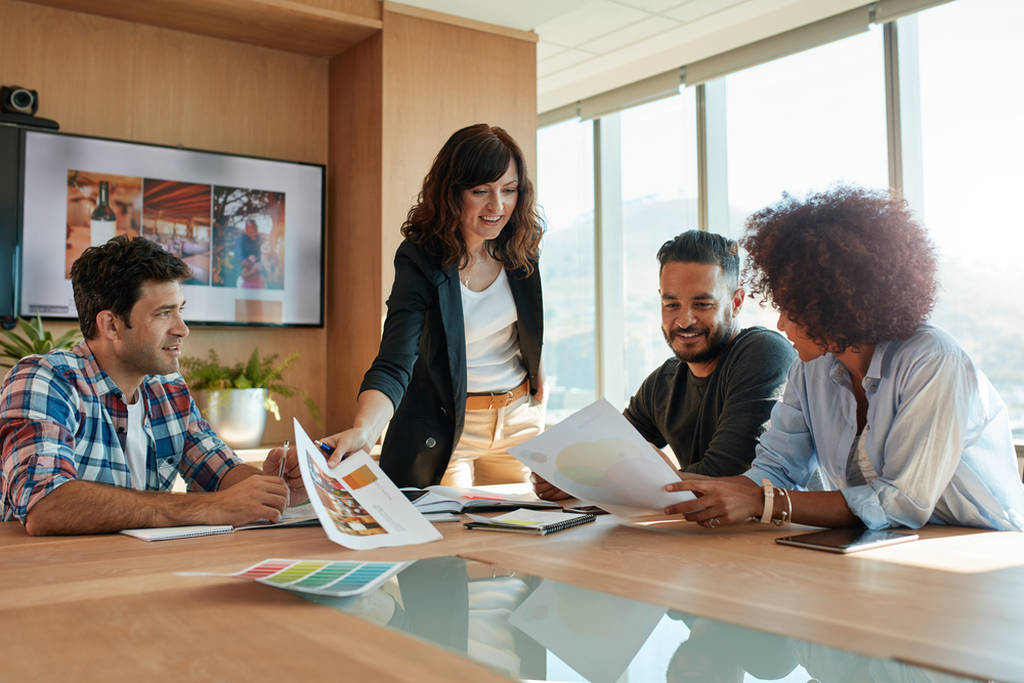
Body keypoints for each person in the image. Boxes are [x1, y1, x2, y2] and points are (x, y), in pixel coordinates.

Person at [664, 187, 1024, 531]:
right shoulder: (808, 370)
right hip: (888, 546)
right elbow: (774, 471)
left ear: (836, 308)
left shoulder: (932, 361)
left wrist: (764, 503)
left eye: (793, 310)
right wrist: (679, 486)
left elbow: (901, 503)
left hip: (987, 547)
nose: (781, 323)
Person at [0, 236, 301, 535]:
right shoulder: (45, 380)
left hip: (139, 572)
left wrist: (278, 490)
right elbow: (46, 506)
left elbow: (220, 471)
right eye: (163, 313)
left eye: (180, 310)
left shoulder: (167, 388)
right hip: (48, 576)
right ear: (111, 325)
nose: (182, 329)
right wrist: (211, 507)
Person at [304, 124, 545, 488]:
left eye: (509, 190)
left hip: (519, 422)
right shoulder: (422, 259)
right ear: (453, 192)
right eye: (481, 191)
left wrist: (538, 374)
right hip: (450, 429)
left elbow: (525, 323)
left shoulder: (521, 244)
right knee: (447, 538)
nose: (498, 206)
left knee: (524, 537)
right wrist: (365, 430)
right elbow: (395, 359)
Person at [533, 230, 796, 500]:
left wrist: (610, 477)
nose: (684, 320)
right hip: (709, 536)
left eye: (702, 304)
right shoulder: (664, 382)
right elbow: (607, 456)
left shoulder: (764, 353)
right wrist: (564, 478)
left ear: (736, 302)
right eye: (671, 304)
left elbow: (723, 477)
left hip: (781, 534)